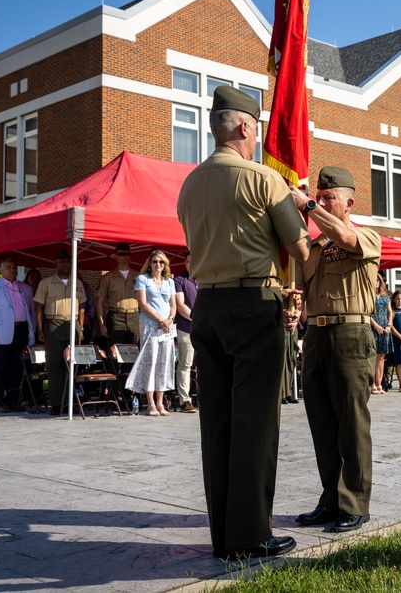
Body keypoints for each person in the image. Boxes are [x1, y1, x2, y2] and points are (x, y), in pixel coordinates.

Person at [177, 85, 309, 560]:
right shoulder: (263, 180)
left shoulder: (189, 183)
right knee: (255, 423)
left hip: (207, 308)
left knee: (217, 425)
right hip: (254, 304)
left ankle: (223, 537)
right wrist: (300, 206)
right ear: (247, 127)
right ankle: (252, 535)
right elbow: (299, 248)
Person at [286, 166, 381, 533]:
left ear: (349, 203)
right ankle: (331, 498)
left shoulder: (363, 236)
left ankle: (355, 503)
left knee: (351, 422)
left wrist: (308, 204)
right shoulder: (316, 248)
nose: (323, 201)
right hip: (316, 337)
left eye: (329, 198)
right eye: (319, 196)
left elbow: (341, 234)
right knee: (322, 422)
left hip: (350, 335)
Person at [33, 249, 87, 416]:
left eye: (67, 261)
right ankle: (57, 403)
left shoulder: (77, 282)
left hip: (73, 323)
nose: (65, 263)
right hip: (53, 322)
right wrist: (40, 329)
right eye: (61, 261)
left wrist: (81, 327)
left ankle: (72, 401)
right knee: (55, 364)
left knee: (73, 364)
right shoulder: (46, 283)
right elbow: (38, 307)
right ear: (55, 263)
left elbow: (82, 306)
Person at [126, 249, 177, 416]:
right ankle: (150, 403)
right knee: (151, 361)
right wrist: (159, 320)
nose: (158, 265)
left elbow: (173, 305)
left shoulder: (169, 281)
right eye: (155, 261)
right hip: (150, 324)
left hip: (166, 327)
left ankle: (161, 402)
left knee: (164, 362)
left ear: (165, 265)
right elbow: (143, 304)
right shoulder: (143, 279)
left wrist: (169, 319)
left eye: (161, 262)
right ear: (150, 263)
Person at [0, 258, 37, 413]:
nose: (12, 270)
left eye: (14, 267)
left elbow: (31, 311)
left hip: (21, 331)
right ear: (0, 270)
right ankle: (2, 401)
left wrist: (32, 330)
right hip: (1, 333)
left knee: (18, 367)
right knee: (1, 367)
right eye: (8, 267)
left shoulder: (25, 288)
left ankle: (14, 400)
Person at [97, 243, 140, 347]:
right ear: (115, 256)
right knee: (116, 351)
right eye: (122, 254)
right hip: (116, 317)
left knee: (135, 351)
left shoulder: (138, 276)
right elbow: (99, 301)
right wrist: (101, 324)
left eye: (128, 254)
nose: (126, 257)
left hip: (135, 317)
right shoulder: (107, 277)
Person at [172, 251, 199, 413]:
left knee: (206, 364)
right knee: (186, 364)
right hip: (186, 329)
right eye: (188, 261)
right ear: (185, 262)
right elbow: (180, 305)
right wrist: (197, 319)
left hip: (204, 330)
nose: (191, 264)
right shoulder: (179, 280)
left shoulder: (204, 279)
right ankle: (185, 400)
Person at [370, 274, 391, 395]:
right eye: (375, 280)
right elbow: (368, 314)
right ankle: (373, 383)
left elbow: (389, 312)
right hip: (374, 327)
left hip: (385, 328)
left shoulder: (385, 297)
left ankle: (379, 384)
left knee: (382, 357)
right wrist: (376, 326)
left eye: (378, 280)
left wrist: (389, 325)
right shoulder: (369, 297)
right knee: (374, 356)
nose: (376, 282)